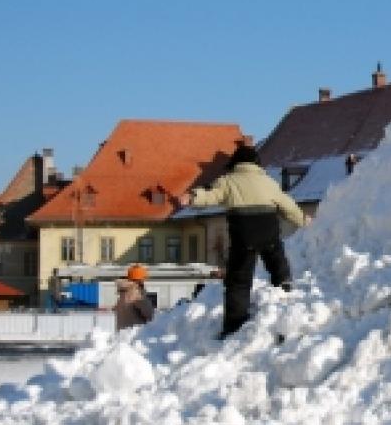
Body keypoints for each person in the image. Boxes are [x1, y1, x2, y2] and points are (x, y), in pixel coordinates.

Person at [178, 144, 309, 340]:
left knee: (238, 282)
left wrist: (193, 197)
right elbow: (288, 205)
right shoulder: (268, 182)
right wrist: (303, 220)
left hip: (244, 238)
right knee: (279, 268)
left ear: (236, 163)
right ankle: (286, 302)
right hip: (269, 235)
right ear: (256, 163)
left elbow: (210, 195)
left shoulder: (228, 181)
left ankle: (234, 325)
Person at [114, 264, 155, 330]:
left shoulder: (123, 294)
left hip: (122, 335)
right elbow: (151, 316)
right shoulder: (136, 294)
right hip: (136, 335)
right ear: (140, 280)